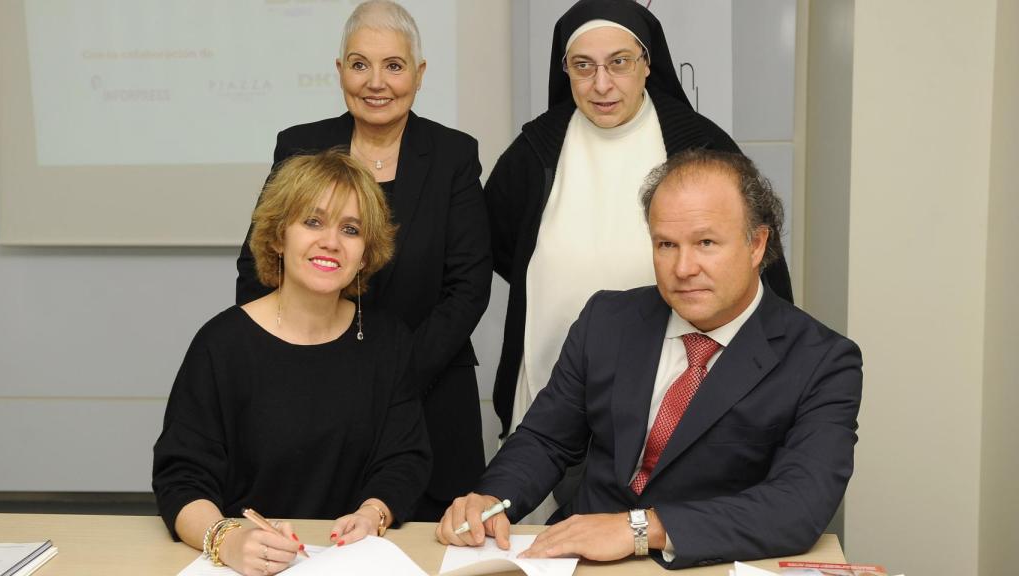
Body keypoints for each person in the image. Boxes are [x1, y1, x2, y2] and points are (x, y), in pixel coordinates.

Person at [438, 149, 862, 570]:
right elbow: (545, 440)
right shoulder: (607, 320)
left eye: (706, 243)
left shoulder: (821, 360)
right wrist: (493, 499)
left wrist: (641, 528)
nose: (683, 267)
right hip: (576, 561)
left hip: (703, 563)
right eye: (666, 244)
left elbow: (798, 504)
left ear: (756, 245)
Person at [485, 0, 795, 442]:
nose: (601, 84)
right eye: (583, 66)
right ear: (565, 70)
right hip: (548, 380)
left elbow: (758, 261)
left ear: (647, 64)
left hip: (671, 393)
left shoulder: (701, 145)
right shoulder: (535, 148)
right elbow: (497, 246)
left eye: (619, 63)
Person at [234, 0, 491, 521]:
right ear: (339, 71)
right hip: (308, 398)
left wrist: (393, 379)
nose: (376, 82)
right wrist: (299, 365)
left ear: (418, 75)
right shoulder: (299, 146)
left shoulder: (453, 155)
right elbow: (257, 265)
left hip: (428, 395)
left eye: (393, 66)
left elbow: (468, 287)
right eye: (359, 64)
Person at [154, 149, 431, 576]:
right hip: (243, 565)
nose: (331, 242)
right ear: (279, 236)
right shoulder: (222, 344)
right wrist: (227, 539)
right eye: (313, 222)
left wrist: (373, 513)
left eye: (351, 229)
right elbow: (181, 478)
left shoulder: (389, 342)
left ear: (365, 252)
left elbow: (404, 459)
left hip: (351, 563)